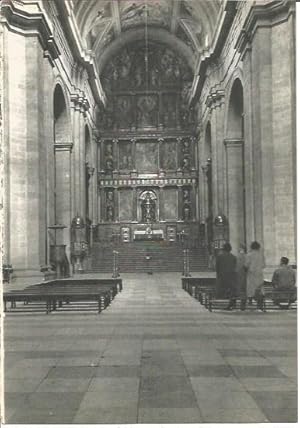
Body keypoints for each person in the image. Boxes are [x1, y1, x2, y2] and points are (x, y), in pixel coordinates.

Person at [216, 242, 237, 310]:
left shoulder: (219, 256)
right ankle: (232, 302)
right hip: (231, 275)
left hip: (222, 275)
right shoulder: (233, 257)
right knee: (231, 290)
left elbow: (217, 267)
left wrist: (218, 274)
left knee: (223, 289)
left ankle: (221, 302)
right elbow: (235, 267)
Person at [244, 241, 265, 309]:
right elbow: (263, 265)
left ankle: (250, 301)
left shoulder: (249, 255)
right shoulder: (261, 255)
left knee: (250, 288)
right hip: (259, 273)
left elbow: (246, 265)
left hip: (251, 273)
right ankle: (260, 303)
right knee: (259, 287)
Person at [236, 244, 247, 310]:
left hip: (238, 275)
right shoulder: (247, 257)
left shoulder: (237, 257)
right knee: (244, 291)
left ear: (241, 249)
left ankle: (234, 304)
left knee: (239, 290)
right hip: (245, 275)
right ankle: (243, 304)